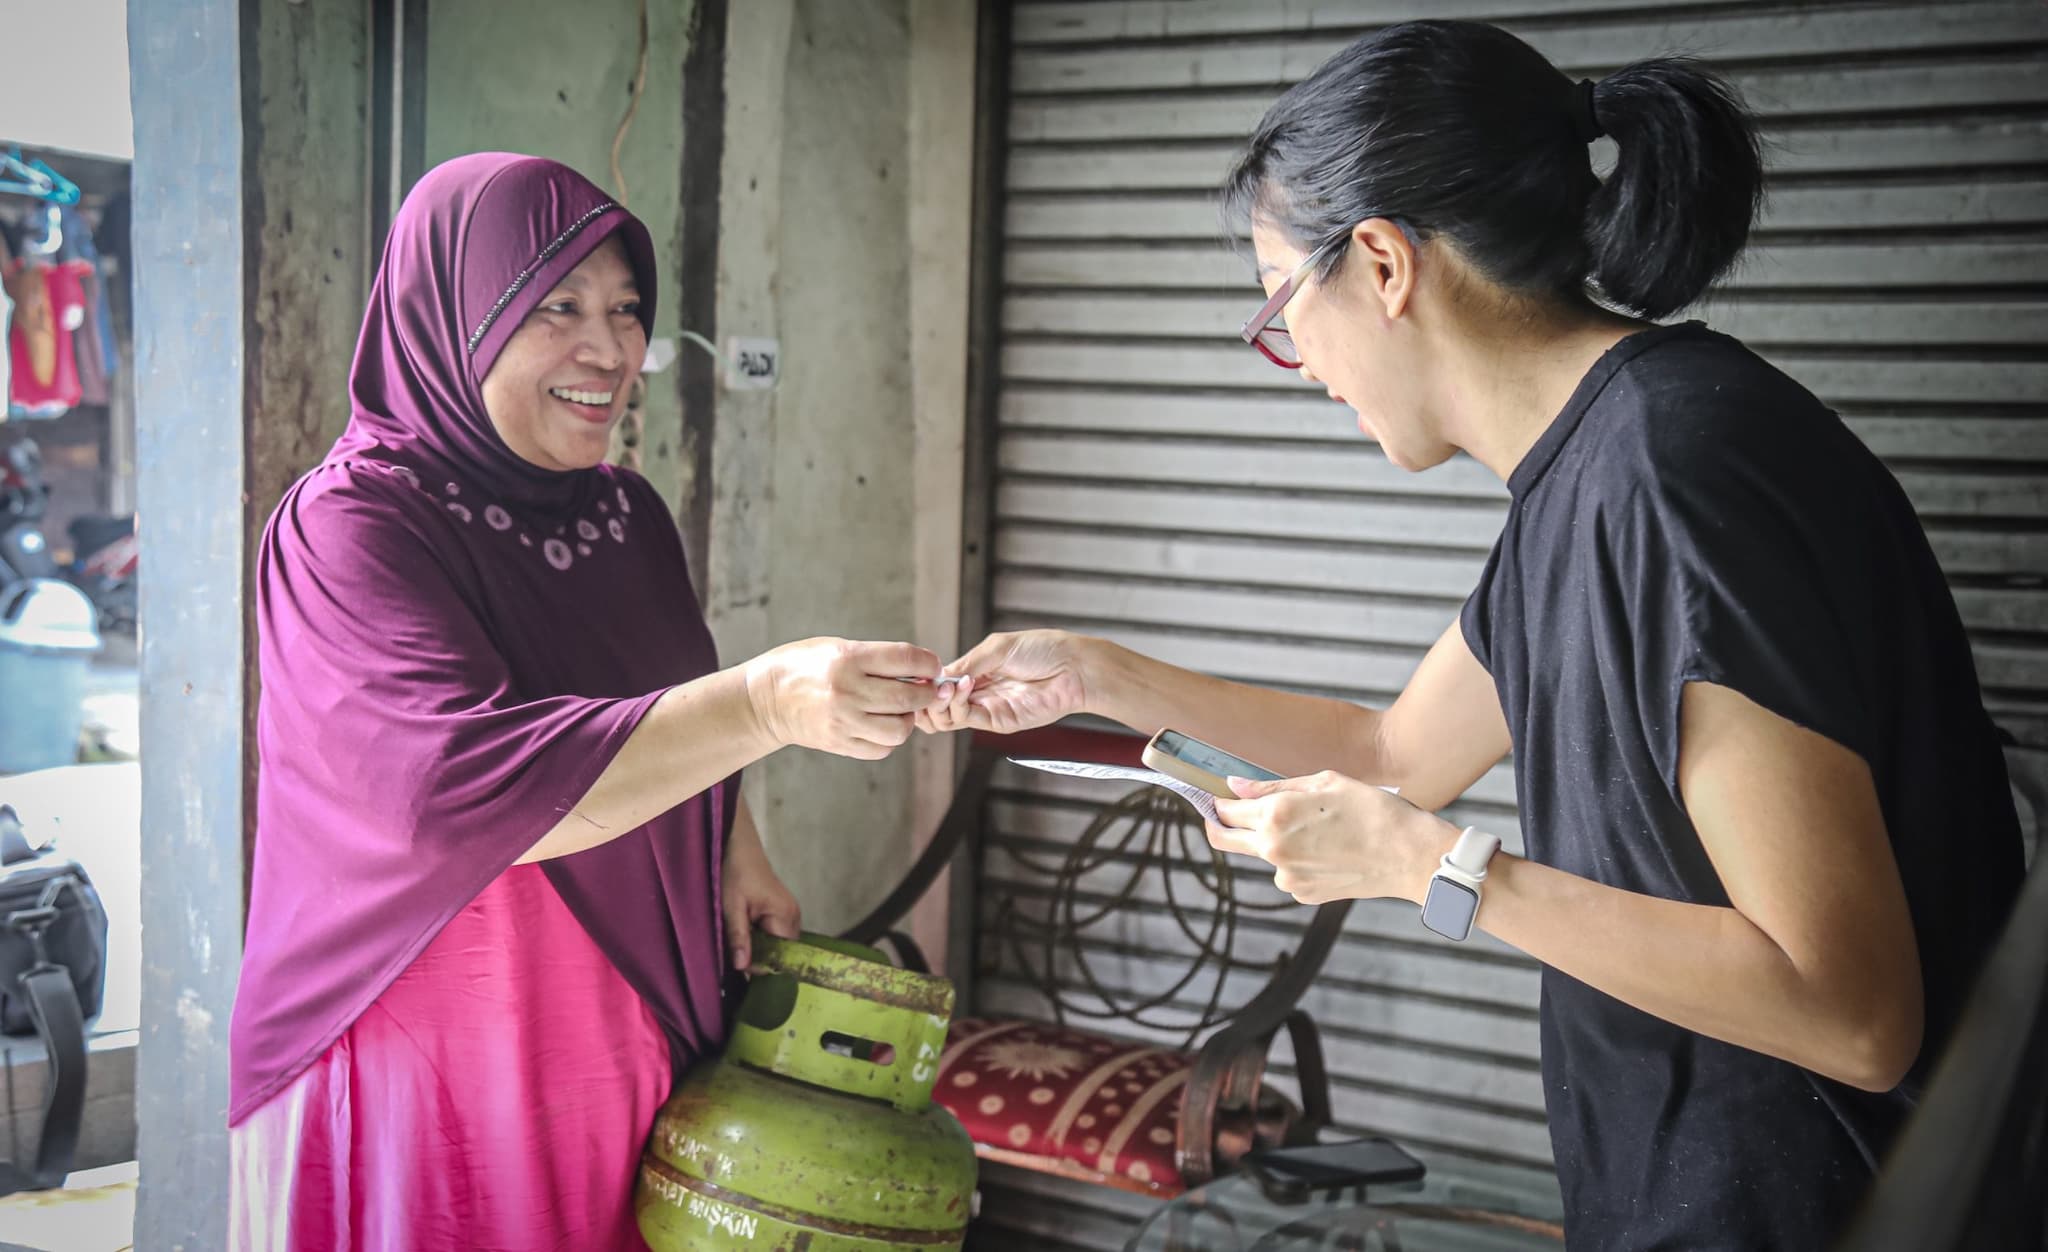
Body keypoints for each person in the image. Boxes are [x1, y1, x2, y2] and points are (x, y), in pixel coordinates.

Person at [920, 20, 2024, 1251]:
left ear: (1382, 263)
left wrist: (1432, 869)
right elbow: (1392, 752)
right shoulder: (1592, 477)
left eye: (1281, 304)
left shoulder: (1674, 478)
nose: (1297, 364)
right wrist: (1095, 674)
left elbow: (1849, 1012)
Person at [227, 153, 946, 1251]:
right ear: (451, 318)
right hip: (435, 1025)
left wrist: (733, 840)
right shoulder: (351, 524)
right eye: (556, 307)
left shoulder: (625, 514)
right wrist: (766, 704)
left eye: (624, 309)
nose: (608, 350)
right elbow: (446, 795)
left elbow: (659, 697)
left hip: (634, 1000)